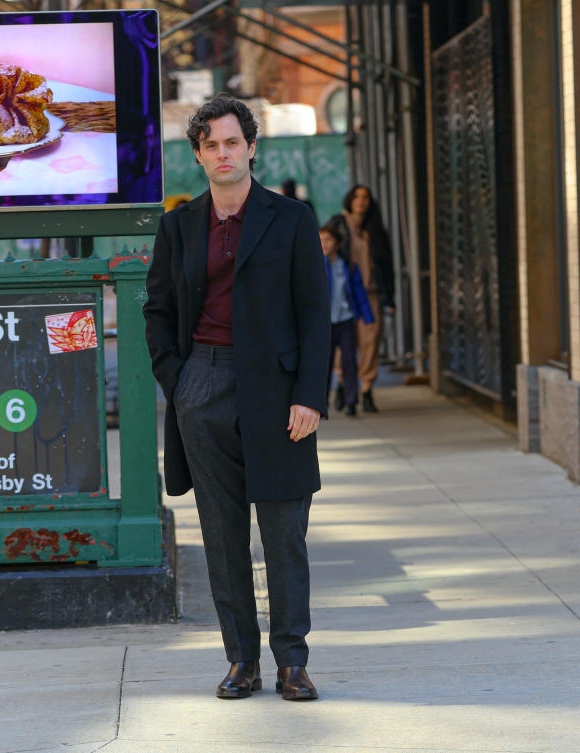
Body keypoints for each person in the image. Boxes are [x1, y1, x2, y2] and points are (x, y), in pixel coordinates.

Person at [144, 96, 329, 701]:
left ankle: (291, 663)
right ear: (197, 155)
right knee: (222, 538)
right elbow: (159, 312)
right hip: (203, 385)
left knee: (284, 533)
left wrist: (309, 396)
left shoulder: (292, 219)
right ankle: (241, 661)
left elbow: (314, 314)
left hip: (277, 395)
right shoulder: (178, 225)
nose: (222, 154)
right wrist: (179, 381)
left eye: (232, 142)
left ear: (252, 148)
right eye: (210, 145)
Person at [328, 185, 394, 413]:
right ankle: (344, 385)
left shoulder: (374, 229)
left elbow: (386, 264)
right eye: (357, 196)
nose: (361, 201)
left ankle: (366, 387)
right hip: (344, 294)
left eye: (366, 197)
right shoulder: (338, 223)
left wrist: (390, 298)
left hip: (371, 293)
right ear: (349, 199)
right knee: (342, 344)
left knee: (371, 340)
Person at [320, 224, 374, 416]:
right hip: (324, 324)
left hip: (344, 321)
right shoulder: (314, 265)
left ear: (338, 243)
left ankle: (352, 401)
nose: (324, 244)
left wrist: (367, 316)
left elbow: (358, 293)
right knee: (323, 364)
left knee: (349, 362)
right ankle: (321, 402)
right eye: (320, 240)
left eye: (328, 240)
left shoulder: (347, 266)